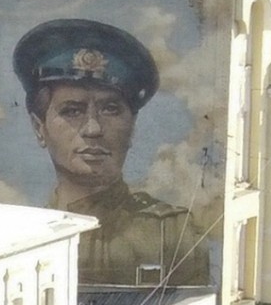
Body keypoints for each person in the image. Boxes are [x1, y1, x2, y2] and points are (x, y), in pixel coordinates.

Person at [12, 19, 208, 287]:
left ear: (133, 126)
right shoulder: (21, 239)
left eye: (111, 109)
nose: (93, 129)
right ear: (39, 128)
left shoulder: (171, 234)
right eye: (72, 111)